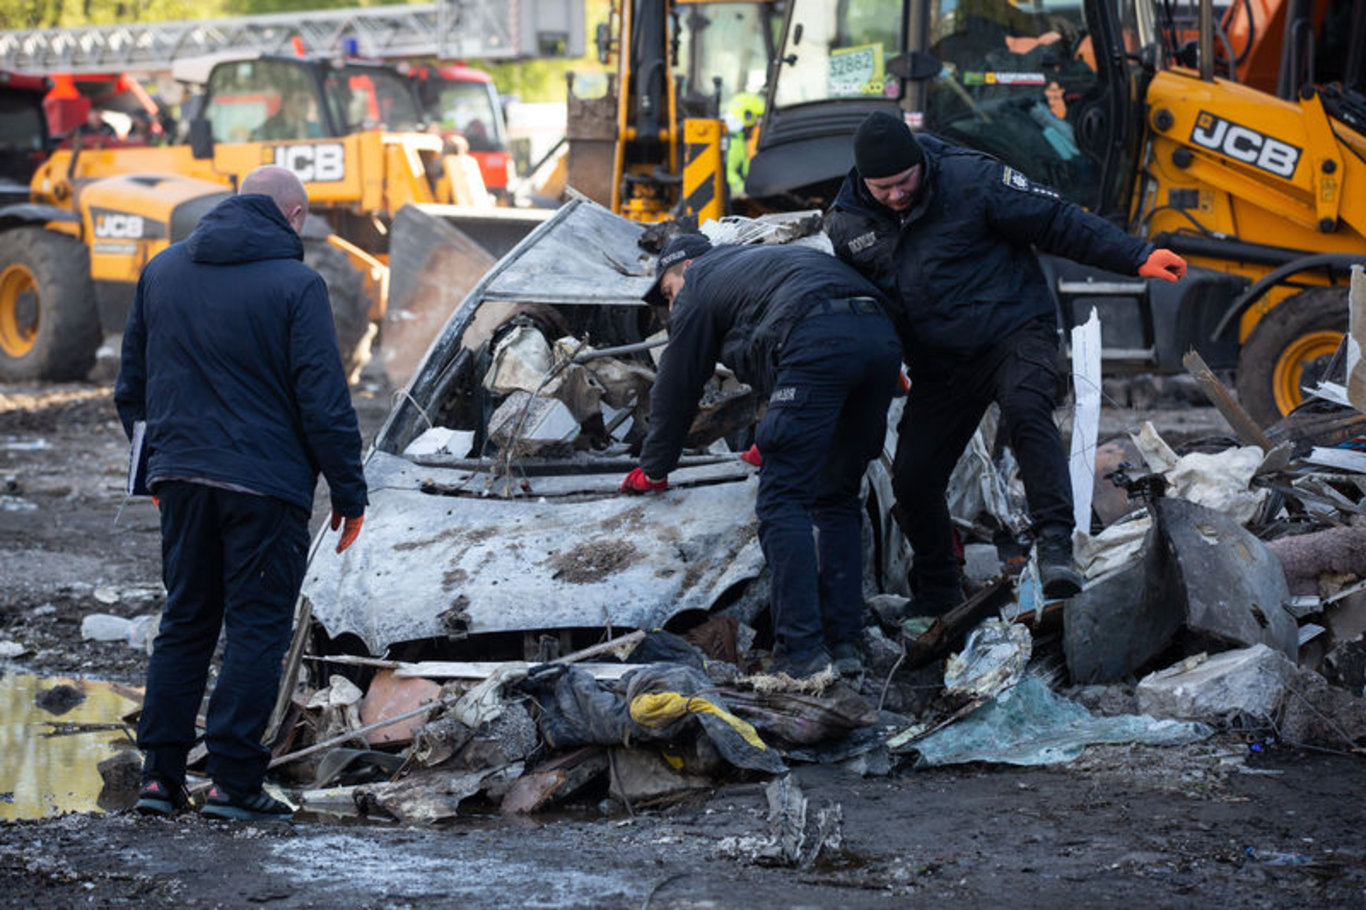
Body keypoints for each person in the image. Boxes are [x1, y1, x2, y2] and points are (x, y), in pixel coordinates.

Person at [825, 112, 1186, 618]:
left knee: (1025, 411)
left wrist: (1136, 256)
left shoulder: (974, 179)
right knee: (912, 479)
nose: (895, 196)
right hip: (943, 361)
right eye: (882, 188)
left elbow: (1057, 221)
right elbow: (863, 295)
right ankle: (938, 590)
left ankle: (1057, 548)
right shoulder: (848, 221)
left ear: (920, 163)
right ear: (864, 181)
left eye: (904, 182)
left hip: (1014, 330)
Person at [114, 165, 367, 821]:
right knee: (255, 628)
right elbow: (324, 402)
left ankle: (159, 781)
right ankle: (233, 785)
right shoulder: (297, 284)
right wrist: (349, 492)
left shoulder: (163, 270)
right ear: (295, 216)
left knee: (186, 622)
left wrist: (157, 474)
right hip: (266, 487)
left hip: (181, 480)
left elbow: (131, 390)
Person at [619, 234, 903, 679]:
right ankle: (846, 641)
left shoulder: (701, 282)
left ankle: (802, 653)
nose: (673, 308)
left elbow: (677, 386)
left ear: (686, 269)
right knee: (837, 496)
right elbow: (778, 354)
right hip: (879, 338)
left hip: (818, 341)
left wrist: (654, 468)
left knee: (782, 501)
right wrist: (769, 439)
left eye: (669, 293)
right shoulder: (765, 265)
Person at [252, 89, 322, 141]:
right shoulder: (268, 131)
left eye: (307, 100)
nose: (306, 105)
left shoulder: (313, 128)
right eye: (301, 100)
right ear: (287, 104)